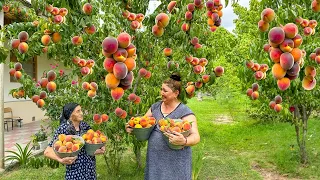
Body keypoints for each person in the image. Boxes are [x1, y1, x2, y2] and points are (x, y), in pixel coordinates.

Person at [126, 73, 200, 180]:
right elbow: (143, 124)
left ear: (176, 93)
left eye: (165, 91)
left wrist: (184, 141)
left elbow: (196, 137)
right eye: (161, 89)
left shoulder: (185, 112)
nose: (161, 93)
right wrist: (132, 128)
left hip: (175, 164)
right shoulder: (155, 107)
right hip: (155, 162)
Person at [44, 103, 105, 180]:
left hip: (90, 171)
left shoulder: (85, 126)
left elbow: (94, 141)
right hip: (75, 173)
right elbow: (47, 151)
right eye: (78, 111)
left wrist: (100, 147)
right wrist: (60, 160)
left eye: (81, 110)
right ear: (70, 115)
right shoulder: (63, 129)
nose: (81, 113)